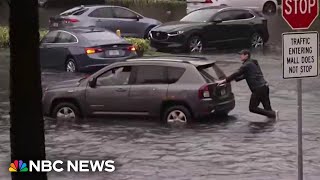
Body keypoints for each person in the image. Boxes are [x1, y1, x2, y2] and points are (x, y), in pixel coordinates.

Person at [217, 49, 279, 120]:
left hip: (258, 89)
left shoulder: (246, 65)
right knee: (267, 109)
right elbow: (245, 75)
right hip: (264, 87)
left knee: (252, 108)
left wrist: (225, 80)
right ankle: (272, 125)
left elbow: (237, 73)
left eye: (242, 54)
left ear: (246, 55)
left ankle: (274, 114)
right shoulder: (253, 62)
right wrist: (232, 80)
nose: (240, 56)